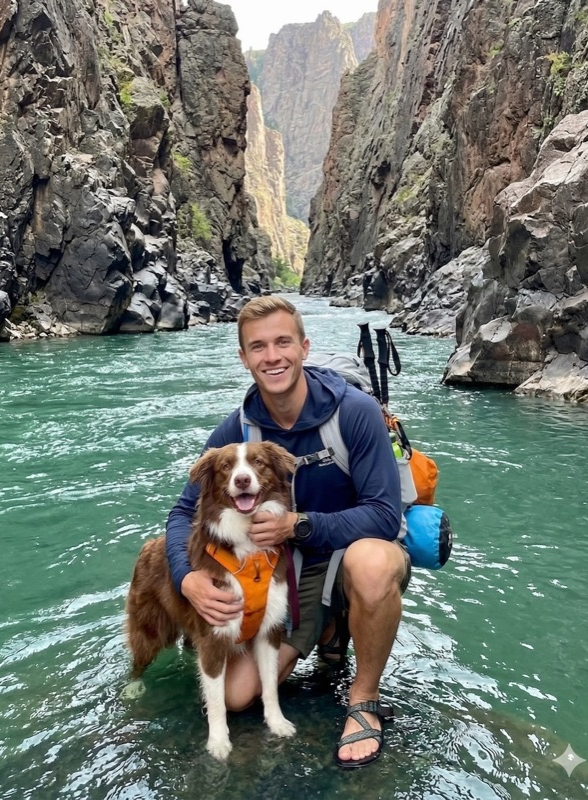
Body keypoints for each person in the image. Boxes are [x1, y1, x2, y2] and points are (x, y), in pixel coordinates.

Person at [166, 296, 410, 768]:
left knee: (372, 562)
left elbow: (384, 515)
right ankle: (329, 628)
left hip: (353, 551)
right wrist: (186, 578)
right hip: (286, 568)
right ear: (243, 357)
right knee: (238, 697)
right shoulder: (238, 430)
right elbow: (182, 513)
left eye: (283, 342)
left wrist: (297, 524)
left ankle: (363, 701)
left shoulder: (355, 412)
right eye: (258, 347)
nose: (272, 356)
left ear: (304, 347)